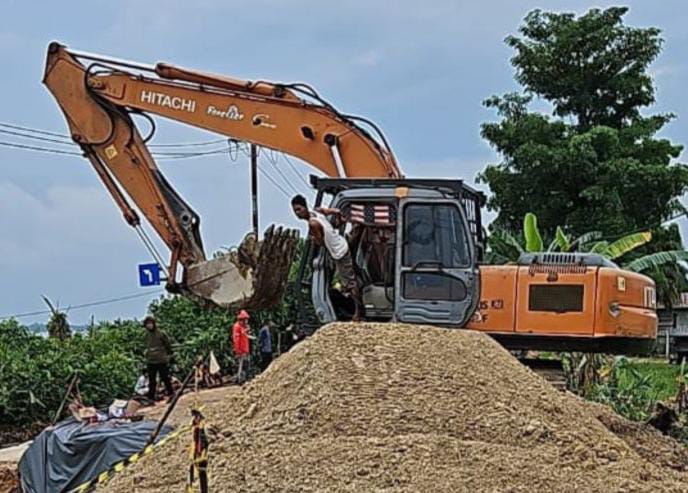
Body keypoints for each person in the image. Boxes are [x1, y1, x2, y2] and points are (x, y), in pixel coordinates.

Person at [291, 194, 364, 321]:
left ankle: (358, 312)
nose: (297, 213)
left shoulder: (313, 224)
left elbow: (321, 243)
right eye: (295, 211)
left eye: (299, 209)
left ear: (304, 207)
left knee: (349, 283)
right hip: (341, 242)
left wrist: (313, 239)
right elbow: (333, 211)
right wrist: (339, 217)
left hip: (339, 252)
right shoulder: (316, 212)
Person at [143, 315, 175, 402]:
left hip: (161, 359)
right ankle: (151, 397)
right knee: (152, 380)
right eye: (147, 324)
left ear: (154, 323)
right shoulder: (146, 335)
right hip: (151, 361)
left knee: (165, 377)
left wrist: (170, 355)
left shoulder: (161, 333)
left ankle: (171, 393)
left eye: (150, 323)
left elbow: (168, 345)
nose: (149, 325)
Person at [188, 409, 209, 493]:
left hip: (202, 456)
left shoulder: (202, 427)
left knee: (202, 477)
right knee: (193, 477)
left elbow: (203, 441)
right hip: (195, 455)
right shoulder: (195, 427)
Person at [232, 310, 252, 383]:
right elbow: (236, 339)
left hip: (245, 349)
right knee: (241, 365)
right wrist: (238, 350)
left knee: (245, 364)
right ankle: (239, 379)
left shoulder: (242, 327)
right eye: (245, 320)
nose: (246, 321)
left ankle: (243, 378)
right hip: (241, 349)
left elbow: (244, 335)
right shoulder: (237, 327)